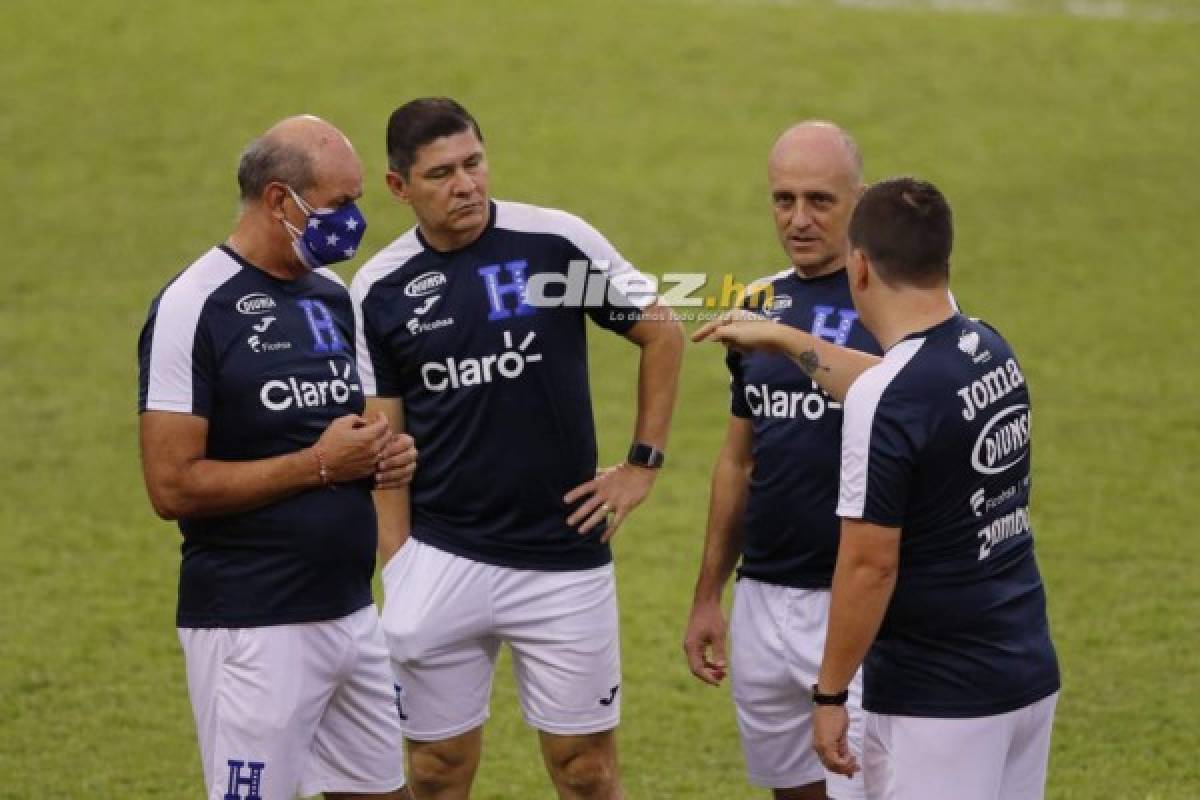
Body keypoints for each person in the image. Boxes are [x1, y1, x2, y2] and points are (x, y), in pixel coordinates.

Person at [351, 97, 684, 800]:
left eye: (474, 163)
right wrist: (399, 562)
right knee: (435, 773)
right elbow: (383, 441)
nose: (466, 184)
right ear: (398, 187)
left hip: (563, 558)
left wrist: (640, 465)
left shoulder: (554, 243)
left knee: (586, 771)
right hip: (442, 555)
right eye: (441, 173)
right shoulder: (378, 290)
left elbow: (663, 329)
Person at [696, 177, 1060, 800]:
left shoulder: (885, 404)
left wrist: (831, 692)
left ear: (859, 267)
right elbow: (895, 385)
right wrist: (786, 340)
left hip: (939, 699)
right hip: (1022, 672)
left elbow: (868, 565)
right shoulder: (988, 348)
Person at [138, 115, 417, 800]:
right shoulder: (192, 306)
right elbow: (172, 486)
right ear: (277, 200)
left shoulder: (330, 298)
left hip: (351, 613)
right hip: (253, 626)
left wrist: (382, 456)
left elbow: (338, 432)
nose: (353, 221)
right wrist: (320, 466)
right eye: (339, 204)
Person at [682, 121, 874, 800]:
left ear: (861, 199)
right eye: (782, 199)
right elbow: (739, 460)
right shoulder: (757, 302)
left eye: (820, 200)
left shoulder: (894, 303)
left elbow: (905, 401)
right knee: (792, 792)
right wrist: (710, 594)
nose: (798, 220)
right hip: (762, 600)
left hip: (863, 603)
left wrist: (790, 342)